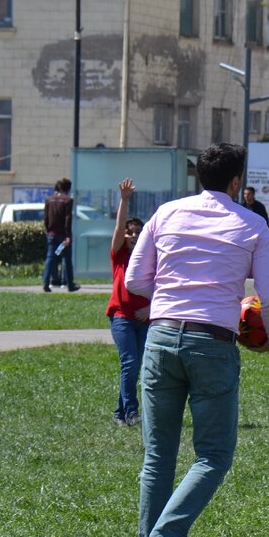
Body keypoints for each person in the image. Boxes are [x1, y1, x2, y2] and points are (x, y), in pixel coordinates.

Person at [122, 143, 269, 537]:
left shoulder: (165, 214)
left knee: (157, 454)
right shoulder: (252, 224)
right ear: (237, 182)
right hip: (212, 342)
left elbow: (138, 280)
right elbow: (268, 295)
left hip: (159, 338)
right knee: (213, 455)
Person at [107, 178, 150, 428]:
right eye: (129, 232)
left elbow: (159, 287)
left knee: (135, 366)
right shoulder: (120, 254)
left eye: (138, 233)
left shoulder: (148, 258)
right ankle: (132, 412)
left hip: (143, 318)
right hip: (122, 316)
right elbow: (118, 228)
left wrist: (151, 308)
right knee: (130, 363)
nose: (133, 235)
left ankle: (119, 413)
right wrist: (124, 200)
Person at [43, 177, 80, 293]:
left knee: (50, 257)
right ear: (68, 188)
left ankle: (46, 282)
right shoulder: (68, 200)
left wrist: (48, 230)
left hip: (52, 234)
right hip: (63, 237)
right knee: (66, 258)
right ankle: (69, 284)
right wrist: (68, 236)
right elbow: (67, 219)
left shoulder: (49, 200)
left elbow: (46, 218)